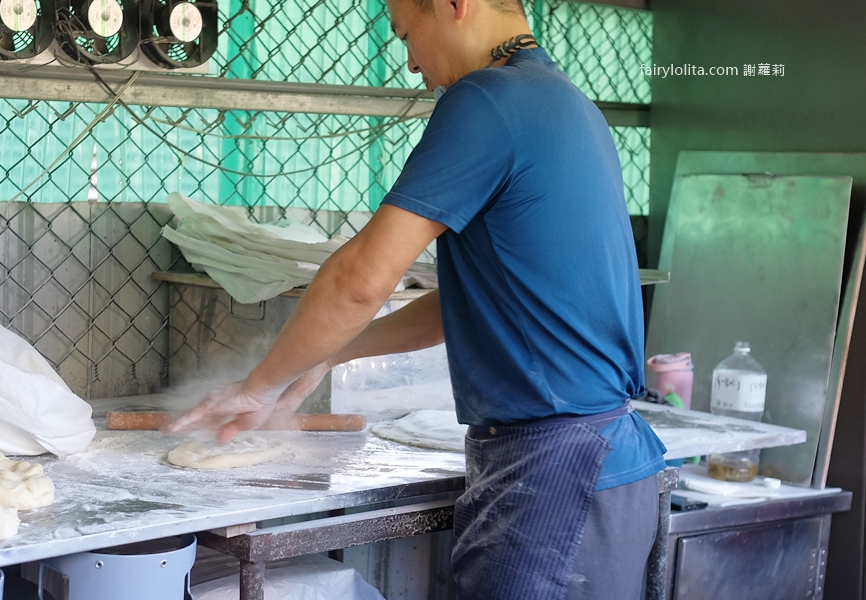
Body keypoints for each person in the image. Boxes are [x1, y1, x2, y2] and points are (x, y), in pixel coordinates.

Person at [166, 0, 667, 596]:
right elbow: (468, 304)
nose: (409, 64)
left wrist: (259, 386)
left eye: (406, 35)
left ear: (454, 6)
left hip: (555, 475)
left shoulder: (487, 100)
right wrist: (328, 354)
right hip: (600, 463)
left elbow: (359, 280)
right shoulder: (563, 103)